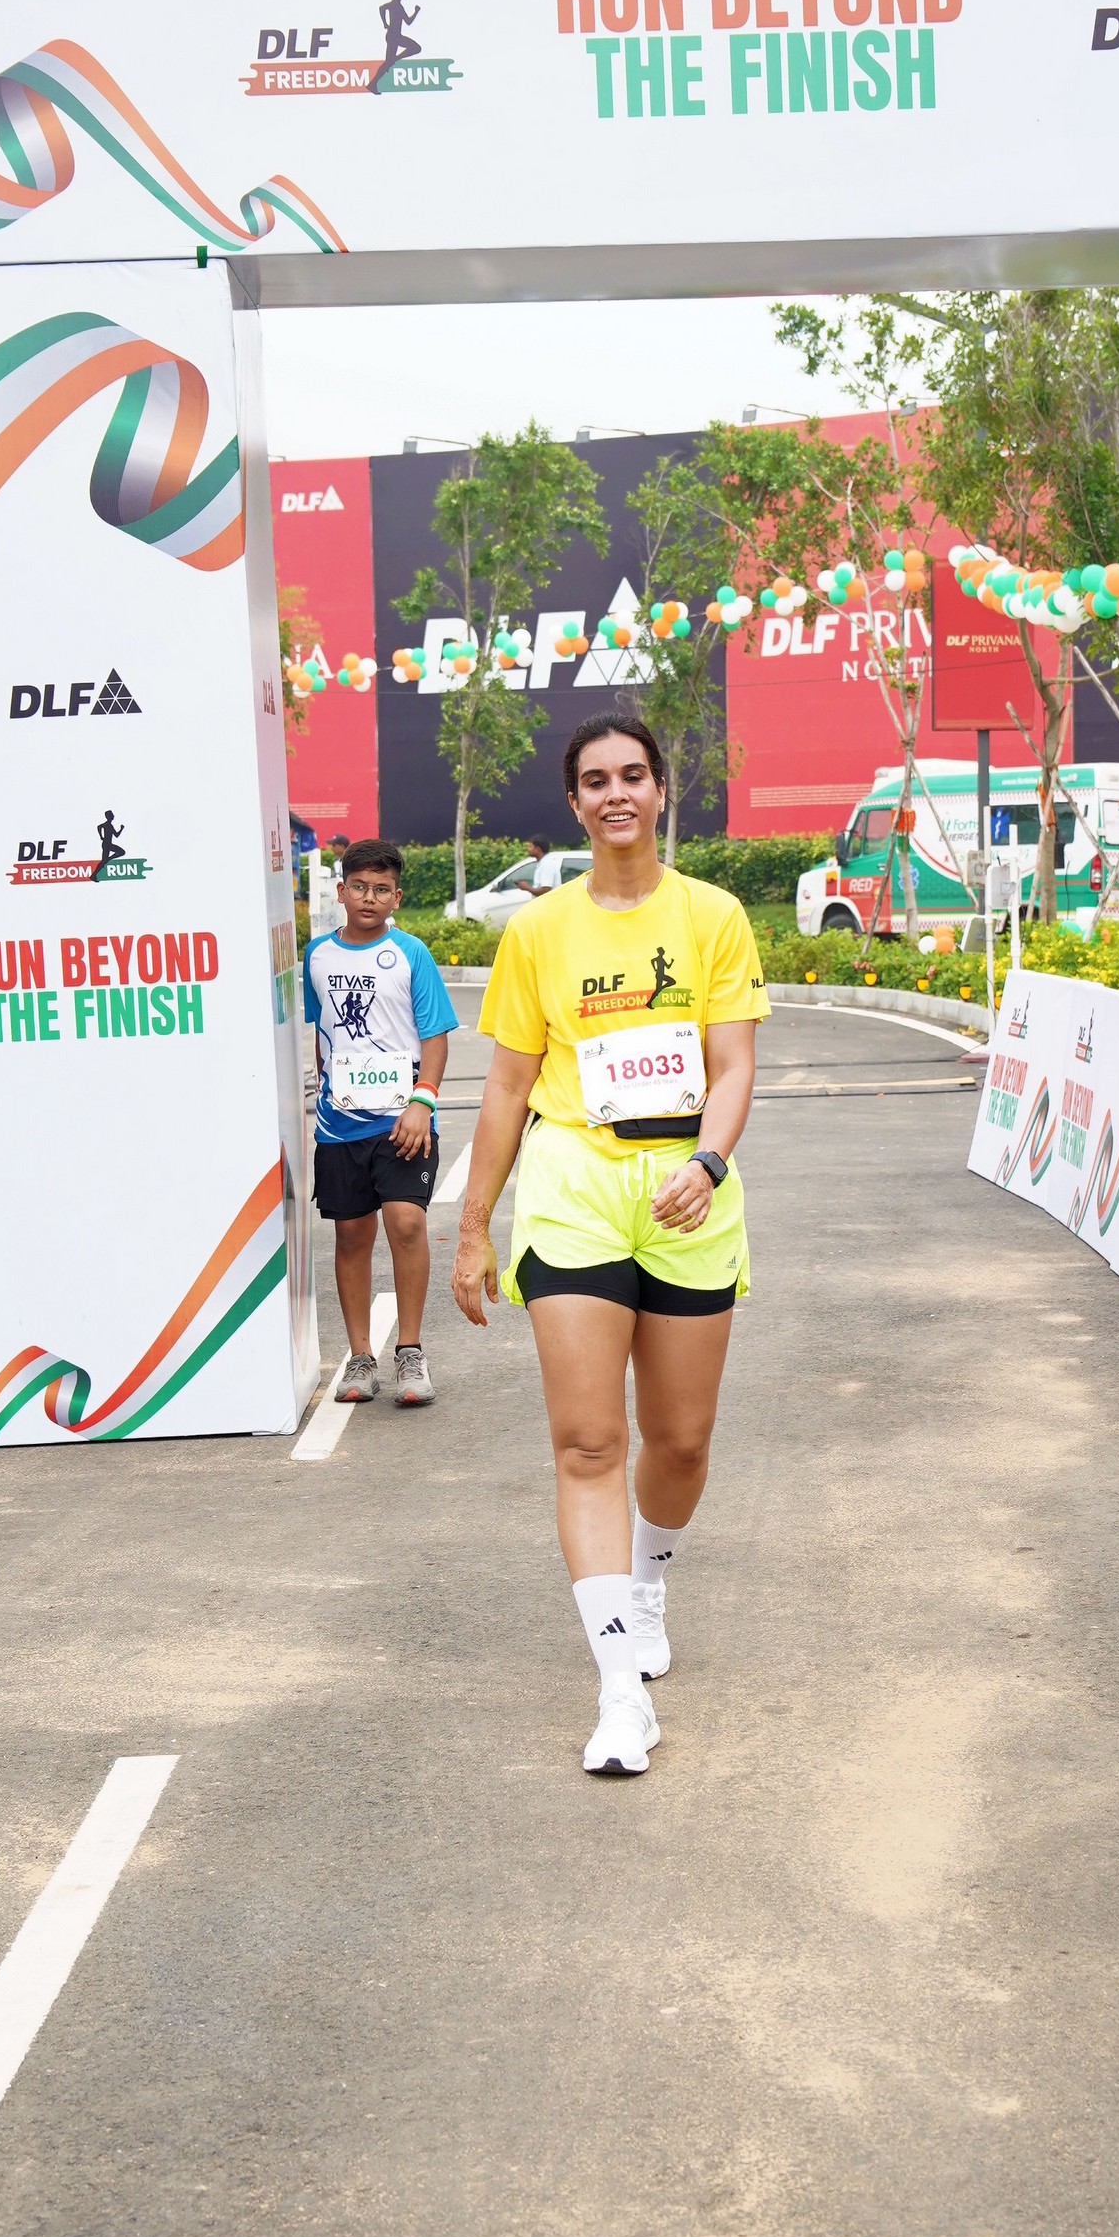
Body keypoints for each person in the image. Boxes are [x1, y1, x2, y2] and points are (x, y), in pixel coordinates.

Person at [451, 716, 766, 1775]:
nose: (616, 793)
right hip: (574, 1186)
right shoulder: (538, 931)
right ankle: (619, 1690)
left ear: (661, 790)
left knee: (678, 1443)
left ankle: (649, 1579)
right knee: (588, 1444)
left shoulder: (713, 916)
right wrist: (472, 1228)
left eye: (633, 774)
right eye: (596, 781)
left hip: (686, 1192)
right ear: (574, 804)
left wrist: (707, 1164)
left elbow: (732, 1064)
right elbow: (506, 1086)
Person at [302, 839, 456, 1406]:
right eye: (360, 887)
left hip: (403, 1120)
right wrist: (322, 1090)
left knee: (407, 1223)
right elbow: (321, 1034)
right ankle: (361, 1357)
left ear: (397, 897)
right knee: (350, 1235)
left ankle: (410, 1352)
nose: (370, 898)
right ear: (341, 891)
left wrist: (423, 1102)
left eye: (382, 889)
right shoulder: (317, 956)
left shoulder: (411, 953)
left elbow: (435, 1035)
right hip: (339, 1125)